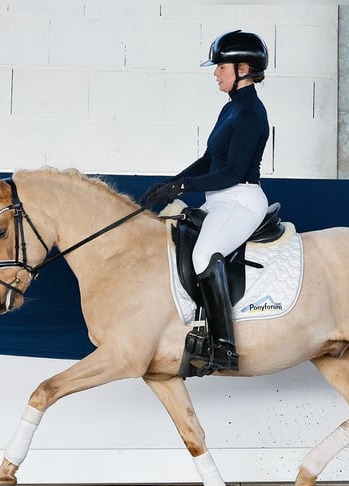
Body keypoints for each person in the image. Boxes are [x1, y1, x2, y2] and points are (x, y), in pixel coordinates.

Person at [141, 30, 270, 372]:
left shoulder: (251, 113)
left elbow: (231, 172)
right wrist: (171, 183)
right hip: (220, 199)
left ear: (243, 68)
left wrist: (183, 187)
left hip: (240, 200)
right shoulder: (230, 110)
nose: (215, 73)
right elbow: (209, 159)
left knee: (202, 256)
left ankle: (224, 346)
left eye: (220, 67)